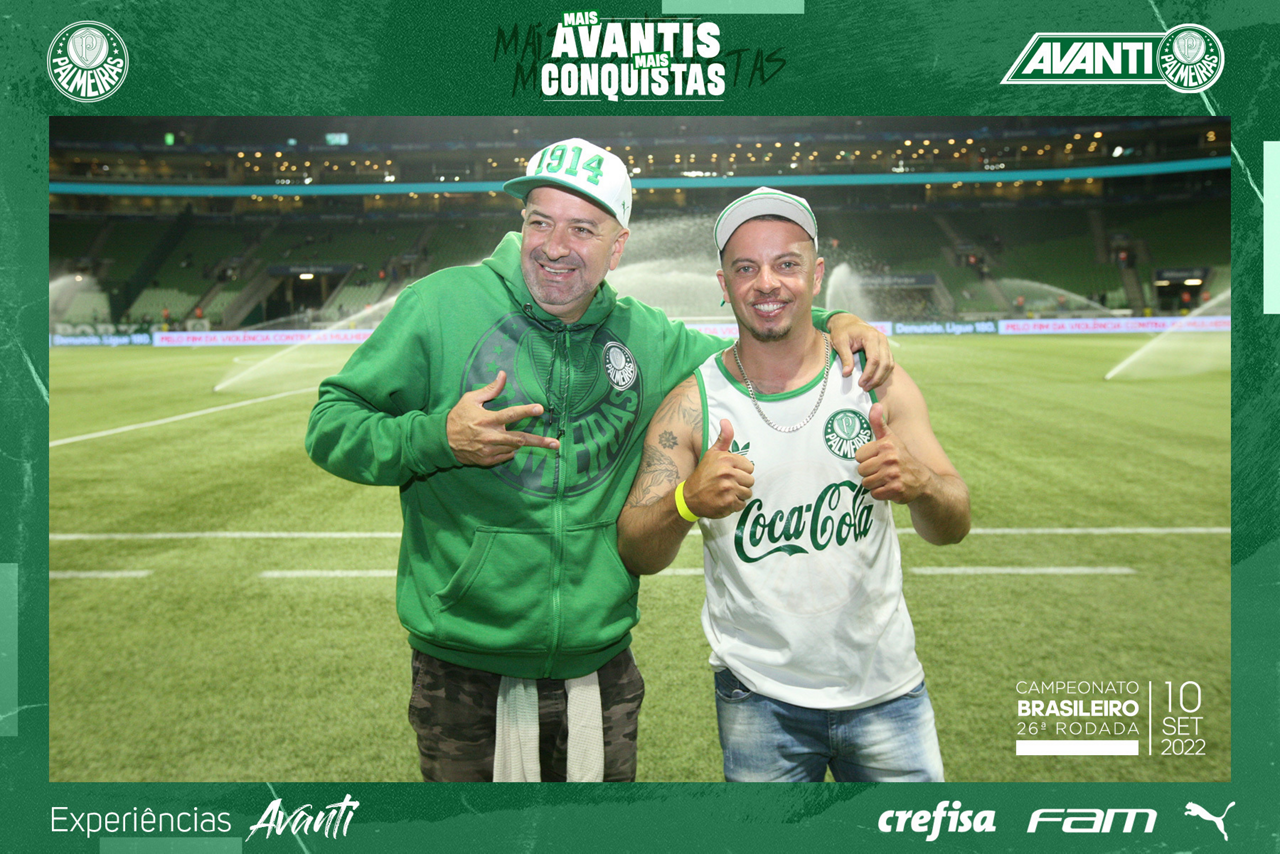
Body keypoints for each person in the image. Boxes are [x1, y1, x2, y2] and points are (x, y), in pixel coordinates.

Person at [305, 143, 894, 783]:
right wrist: (437, 438)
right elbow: (330, 424)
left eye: (583, 229)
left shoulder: (648, 337)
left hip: (599, 669)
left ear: (618, 248)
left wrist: (837, 319)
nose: (555, 246)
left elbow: (757, 342)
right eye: (540, 221)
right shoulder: (440, 304)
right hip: (461, 667)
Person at [617, 188, 969, 782]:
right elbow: (636, 549)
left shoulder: (875, 381)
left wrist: (924, 486)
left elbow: (953, 523)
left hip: (887, 691)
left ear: (817, 273)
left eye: (786, 263)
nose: (767, 283)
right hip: (759, 700)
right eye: (745, 268)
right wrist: (685, 502)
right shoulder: (693, 404)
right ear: (723, 284)